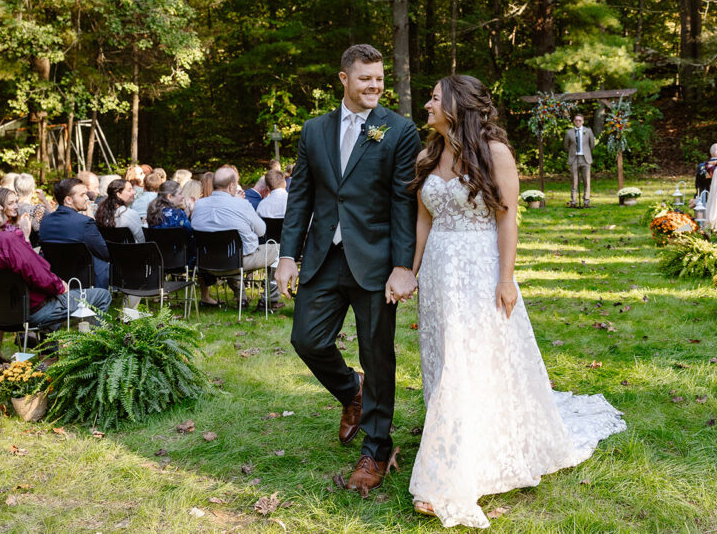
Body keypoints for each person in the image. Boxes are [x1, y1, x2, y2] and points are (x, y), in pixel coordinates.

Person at [408, 74, 625, 527]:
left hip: (479, 268)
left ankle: (452, 474)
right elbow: (424, 220)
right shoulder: (430, 152)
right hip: (438, 274)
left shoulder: (496, 153)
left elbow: (507, 220)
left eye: (434, 97)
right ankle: (455, 441)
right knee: (442, 360)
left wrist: (506, 279)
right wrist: (413, 269)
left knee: (467, 365)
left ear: (458, 104)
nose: (427, 103)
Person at [275, 43, 419, 494]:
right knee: (307, 338)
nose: (375, 86)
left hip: (376, 260)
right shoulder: (314, 130)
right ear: (344, 79)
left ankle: (376, 451)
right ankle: (351, 392)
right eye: (365, 79)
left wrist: (402, 265)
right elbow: (301, 198)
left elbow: (403, 204)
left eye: (379, 79)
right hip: (323, 255)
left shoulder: (398, 130)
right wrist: (286, 255)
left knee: (378, 356)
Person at [0, 186, 112, 363]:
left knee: (51, 300)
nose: (0, 208)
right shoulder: (6, 241)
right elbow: (40, 275)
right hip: (30, 312)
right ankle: (99, 358)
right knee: (101, 295)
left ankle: (48, 359)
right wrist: (60, 286)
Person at [192, 166, 281, 308]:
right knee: (279, 250)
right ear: (231, 185)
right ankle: (269, 298)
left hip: (207, 263)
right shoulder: (241, 204)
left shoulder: (199, 205)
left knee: (232, 250)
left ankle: (241, 297)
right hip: (237, 262)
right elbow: (262, 231)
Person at [38, 178, 111, 288]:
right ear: (68, 200)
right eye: (82, 195)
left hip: (56, 278)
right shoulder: (85, 223)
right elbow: (104, 253)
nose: (86, 198)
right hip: (84, 281)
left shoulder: (45, 221)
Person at [95, 178, 144, 243]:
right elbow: (142, 240)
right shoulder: (129, 214)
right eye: (129, 190)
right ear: (119, 194)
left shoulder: (102, 213)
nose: (134, 192)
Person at [563, 114, 595, 208]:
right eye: (576, 120)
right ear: (573, 121)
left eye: (580, 120)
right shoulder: (569, 132)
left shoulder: (588, 131)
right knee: (574, 181)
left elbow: (592, 144)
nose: (578, 122)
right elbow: (566, 146)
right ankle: (573, 201)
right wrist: (572, 152)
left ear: (583, 121)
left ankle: (586, 201)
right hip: (574, 159)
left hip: (585, 158)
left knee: (586, 181)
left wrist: (586, 151)